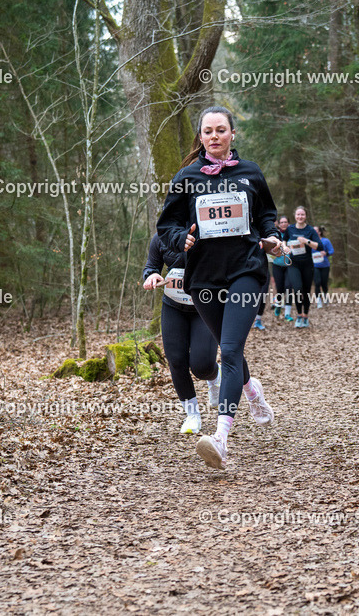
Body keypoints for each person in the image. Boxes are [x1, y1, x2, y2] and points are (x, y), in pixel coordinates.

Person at [157, 105, 284, 470]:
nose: (215, 136)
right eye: (208, 131)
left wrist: (273, 237)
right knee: (230, 349)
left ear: (232, 135)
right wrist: (182, 238)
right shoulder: (186, 177)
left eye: (221, 130)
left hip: (245, 271)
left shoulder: (250, 172)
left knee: (228, 350)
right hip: (203, 279)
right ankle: (252, 391)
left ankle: (221, 438)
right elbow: (166, 225)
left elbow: (266, 215)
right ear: (200, 137)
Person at [142, 234, 221, 435]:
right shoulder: (160, 238)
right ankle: (192, 414)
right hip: (173, 307)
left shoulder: (207, 233)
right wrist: (151, 276)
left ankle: (215, 375)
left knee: (201, 367)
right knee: (176, 360)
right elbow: (151, 266)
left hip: (204, 308)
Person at [285, 206, 321, 327]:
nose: (300, 217)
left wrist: (306, 241)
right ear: (295, 216)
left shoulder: (310, 230)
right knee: (297, 288)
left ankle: (305, 315)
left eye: (302, 215)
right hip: (293, 263)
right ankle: (299, 315)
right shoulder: (290, 229)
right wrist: (285, 247)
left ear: (306, 216)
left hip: (307, 264)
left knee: (306, 291)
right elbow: (284, 240)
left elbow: (318, 246)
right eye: (298, 215)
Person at [269, 216, 293, 322]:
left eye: (285, 222)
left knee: (288, 288)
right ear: (278, 224)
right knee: (280, 289)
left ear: (288, 223)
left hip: (290, 265)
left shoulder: (292, 234)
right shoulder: (276, 235)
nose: (283, 224)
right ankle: (278, 305)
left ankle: (287, 314)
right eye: (282, 222)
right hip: (277, 265)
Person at [313, 225, 333, 308]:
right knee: (317, 283)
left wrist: (326, 253)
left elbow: (332, 250)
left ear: (319, 232)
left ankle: (325, 296)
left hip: (325, 265)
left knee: (324, 283)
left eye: (316, 230)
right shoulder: (310, 242)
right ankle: (318, 301)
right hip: (314, 265)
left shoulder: (325, 241)